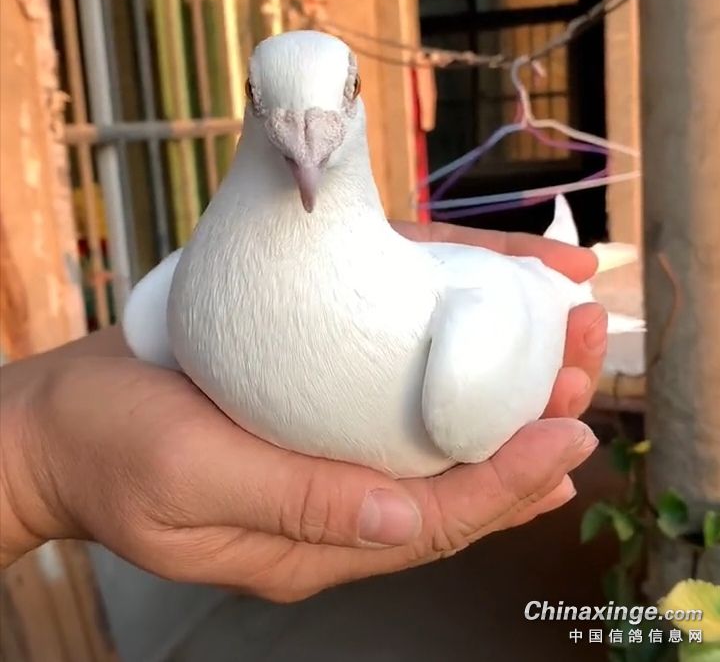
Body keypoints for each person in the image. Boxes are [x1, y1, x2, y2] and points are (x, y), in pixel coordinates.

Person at [0, 220, 607, 603]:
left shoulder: (469, 338)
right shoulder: (189, 290)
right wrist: (29, 469)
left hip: (507, 295)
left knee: (470, 409)